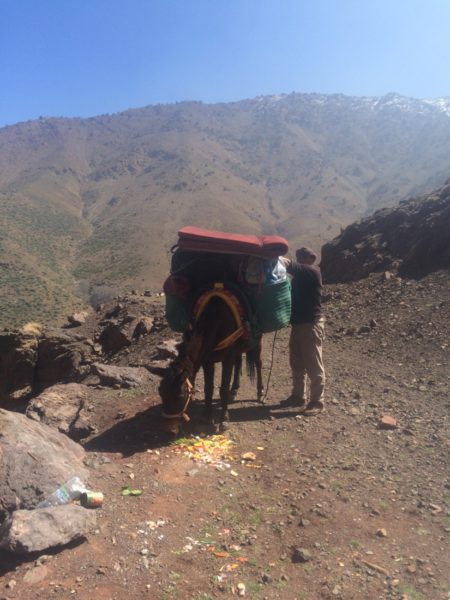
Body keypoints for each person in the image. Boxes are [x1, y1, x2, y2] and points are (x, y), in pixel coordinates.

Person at [280, 247, 325, 415]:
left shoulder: (311, 271)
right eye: (297, 256)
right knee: (297, 362)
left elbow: (286, 263)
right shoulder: (301, 275)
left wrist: (270, 254)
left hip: (310, 324)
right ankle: (298, 396)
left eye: (300, 257)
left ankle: (317, 402)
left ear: (308, 258)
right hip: (299, 324)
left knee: (313, 363)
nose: (298, 259)